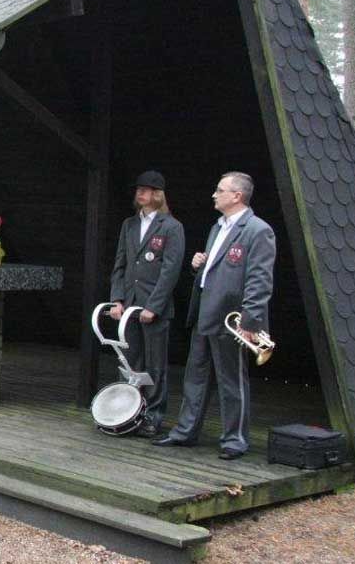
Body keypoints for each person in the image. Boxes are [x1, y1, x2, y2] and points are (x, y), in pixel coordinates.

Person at [154, 171, 276, 460]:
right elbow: (217, 270)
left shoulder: (258, 230)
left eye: (220, 190)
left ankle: (235, 440)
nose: (214, 194)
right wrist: (199, 266)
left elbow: (259, 280)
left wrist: (250, 321)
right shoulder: (217, 227)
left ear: (237, 196)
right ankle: (185, 431)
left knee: (231, 381)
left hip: (231, 317)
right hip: (205, 313)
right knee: (195, 377)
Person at [108, 170, 185, 438]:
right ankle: (125, 412)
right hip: (128, 305)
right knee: (128, 361)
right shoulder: (129, 224)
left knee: (154, 364)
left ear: (157, 194)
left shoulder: (171, 227)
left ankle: (153, 415)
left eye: (146, 189)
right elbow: (120, 264)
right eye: (138, 189)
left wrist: (154, 306)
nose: (140, 193)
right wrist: (117, 299)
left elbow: (170, 271)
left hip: (154, 308)